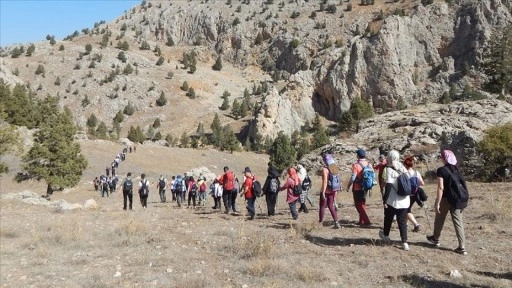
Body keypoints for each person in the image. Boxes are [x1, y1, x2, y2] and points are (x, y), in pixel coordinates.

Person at [426, 150, 468, 255]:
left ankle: (435, 238)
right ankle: (462, 247)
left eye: (442, 157)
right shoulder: (456, 169)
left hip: (446, 199)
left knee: (439, 218)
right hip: (458, 199)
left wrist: (437, 203)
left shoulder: (441, 170)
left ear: (444, 158)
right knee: (458, 222)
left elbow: (440, 187)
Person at [379, 150, 410, 251]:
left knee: (388, 218)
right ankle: (405, 243)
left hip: (393, 200)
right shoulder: (403, 167)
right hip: (405, 200)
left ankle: (386, 235)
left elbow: (388, 185)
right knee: (402, 222)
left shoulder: (389, 169)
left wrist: (385, 200)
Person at [346, 149, 372, 226]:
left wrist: (348, 185)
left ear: (358, 155)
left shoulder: (356, 165)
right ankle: (361, 221)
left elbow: (353, 177)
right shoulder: (369, 164)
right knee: (362, 203)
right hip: (366, 187)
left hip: (357, 187)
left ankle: (366, 221)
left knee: (358, 205)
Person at [319, 153, 341, 229]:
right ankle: (336, 222)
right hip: (333, 190)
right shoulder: (335, 168)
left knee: (322, 206)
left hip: (326, 191)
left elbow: (325, 181)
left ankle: (320, 223)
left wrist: (323, 192)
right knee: (331, 206)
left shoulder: (325, 169)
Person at [404, 156, 425, 232]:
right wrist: (416, 185)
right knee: (407, 209)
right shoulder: (416, 172)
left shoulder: (405, 173)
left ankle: (416, 224)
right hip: (415, 194)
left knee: (406, 210)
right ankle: (405, 226)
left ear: (405, 165)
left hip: (407, 195)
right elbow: (422, 183)